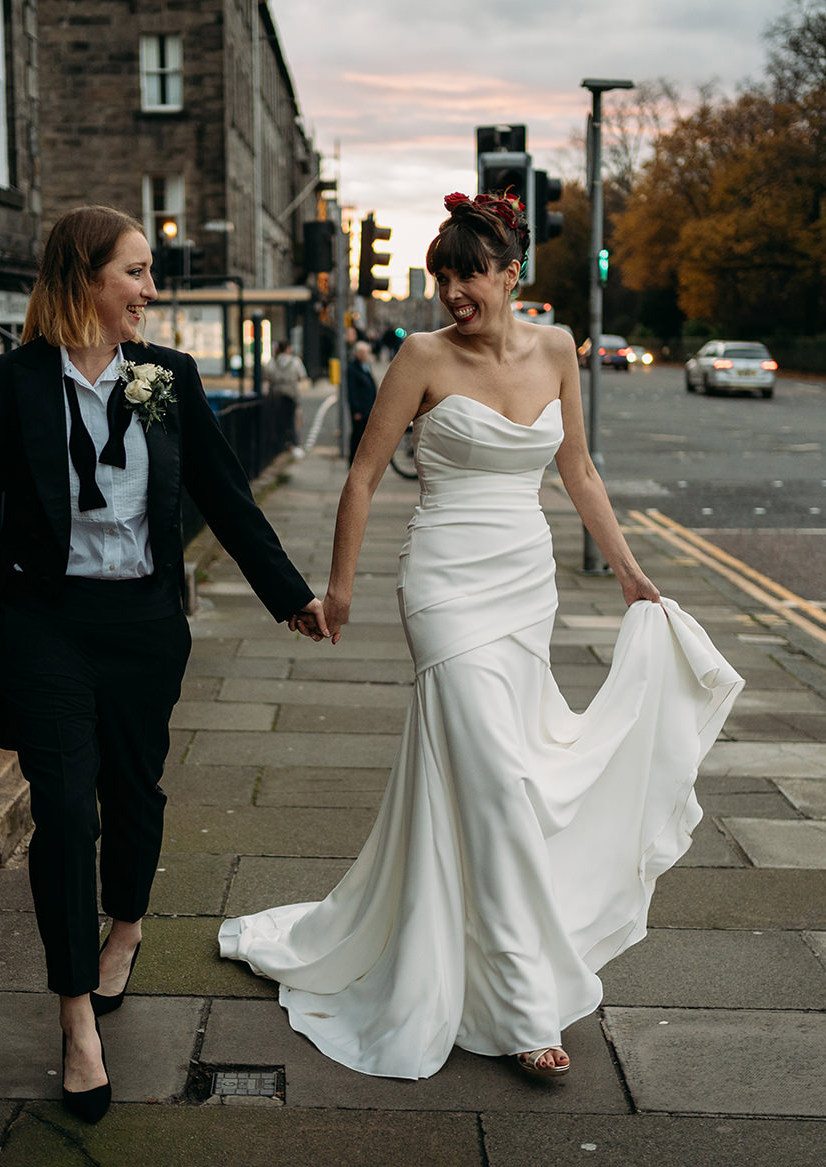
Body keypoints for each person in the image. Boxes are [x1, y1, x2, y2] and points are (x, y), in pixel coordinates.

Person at [218, 192, 742, 1081]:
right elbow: (362, 477)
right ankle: (522, 1005)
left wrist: (628, 570)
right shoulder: (421, 356)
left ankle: (453, 942)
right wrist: (339, 590)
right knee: (499, 782)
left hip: (523, 584)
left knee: (506, 773)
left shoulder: (557, 347)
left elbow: (576, 469)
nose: (454, 291)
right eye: (442, 275)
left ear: (511, 273)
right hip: (444, 586)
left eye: (469, 274)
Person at [0, 205, 329, 1123]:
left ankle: (128, 924)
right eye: (137, 273)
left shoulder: (168, 377)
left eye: (149, 275)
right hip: (45, 623)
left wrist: (291, 593)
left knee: (135, 790)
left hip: (144, 624)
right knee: (68, 809)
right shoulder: (8, 386)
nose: (151, 292)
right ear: (84, 279)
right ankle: (77, 1019)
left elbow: (225, 499)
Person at [264, 339, 308, 453]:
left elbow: (267, 375)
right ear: (288, 348)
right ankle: (294, 442)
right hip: (291, 394)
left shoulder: (273, 362)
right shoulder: (295, 362)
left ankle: (279, 443)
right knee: (293, 419)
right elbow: (302, 376)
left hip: (276, 394)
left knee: (278, 419)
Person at [344, 339, 377, 463]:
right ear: (357, 353)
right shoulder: (352, 368)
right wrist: (356, 410)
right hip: (360, 409)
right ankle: (352, 460)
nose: (365, 355)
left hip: (368, 407)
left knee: (365, 436)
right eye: (363, 353)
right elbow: (352, 391)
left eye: (367, 352)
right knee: (357, 435)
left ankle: (361, 460)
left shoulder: (365, 366)